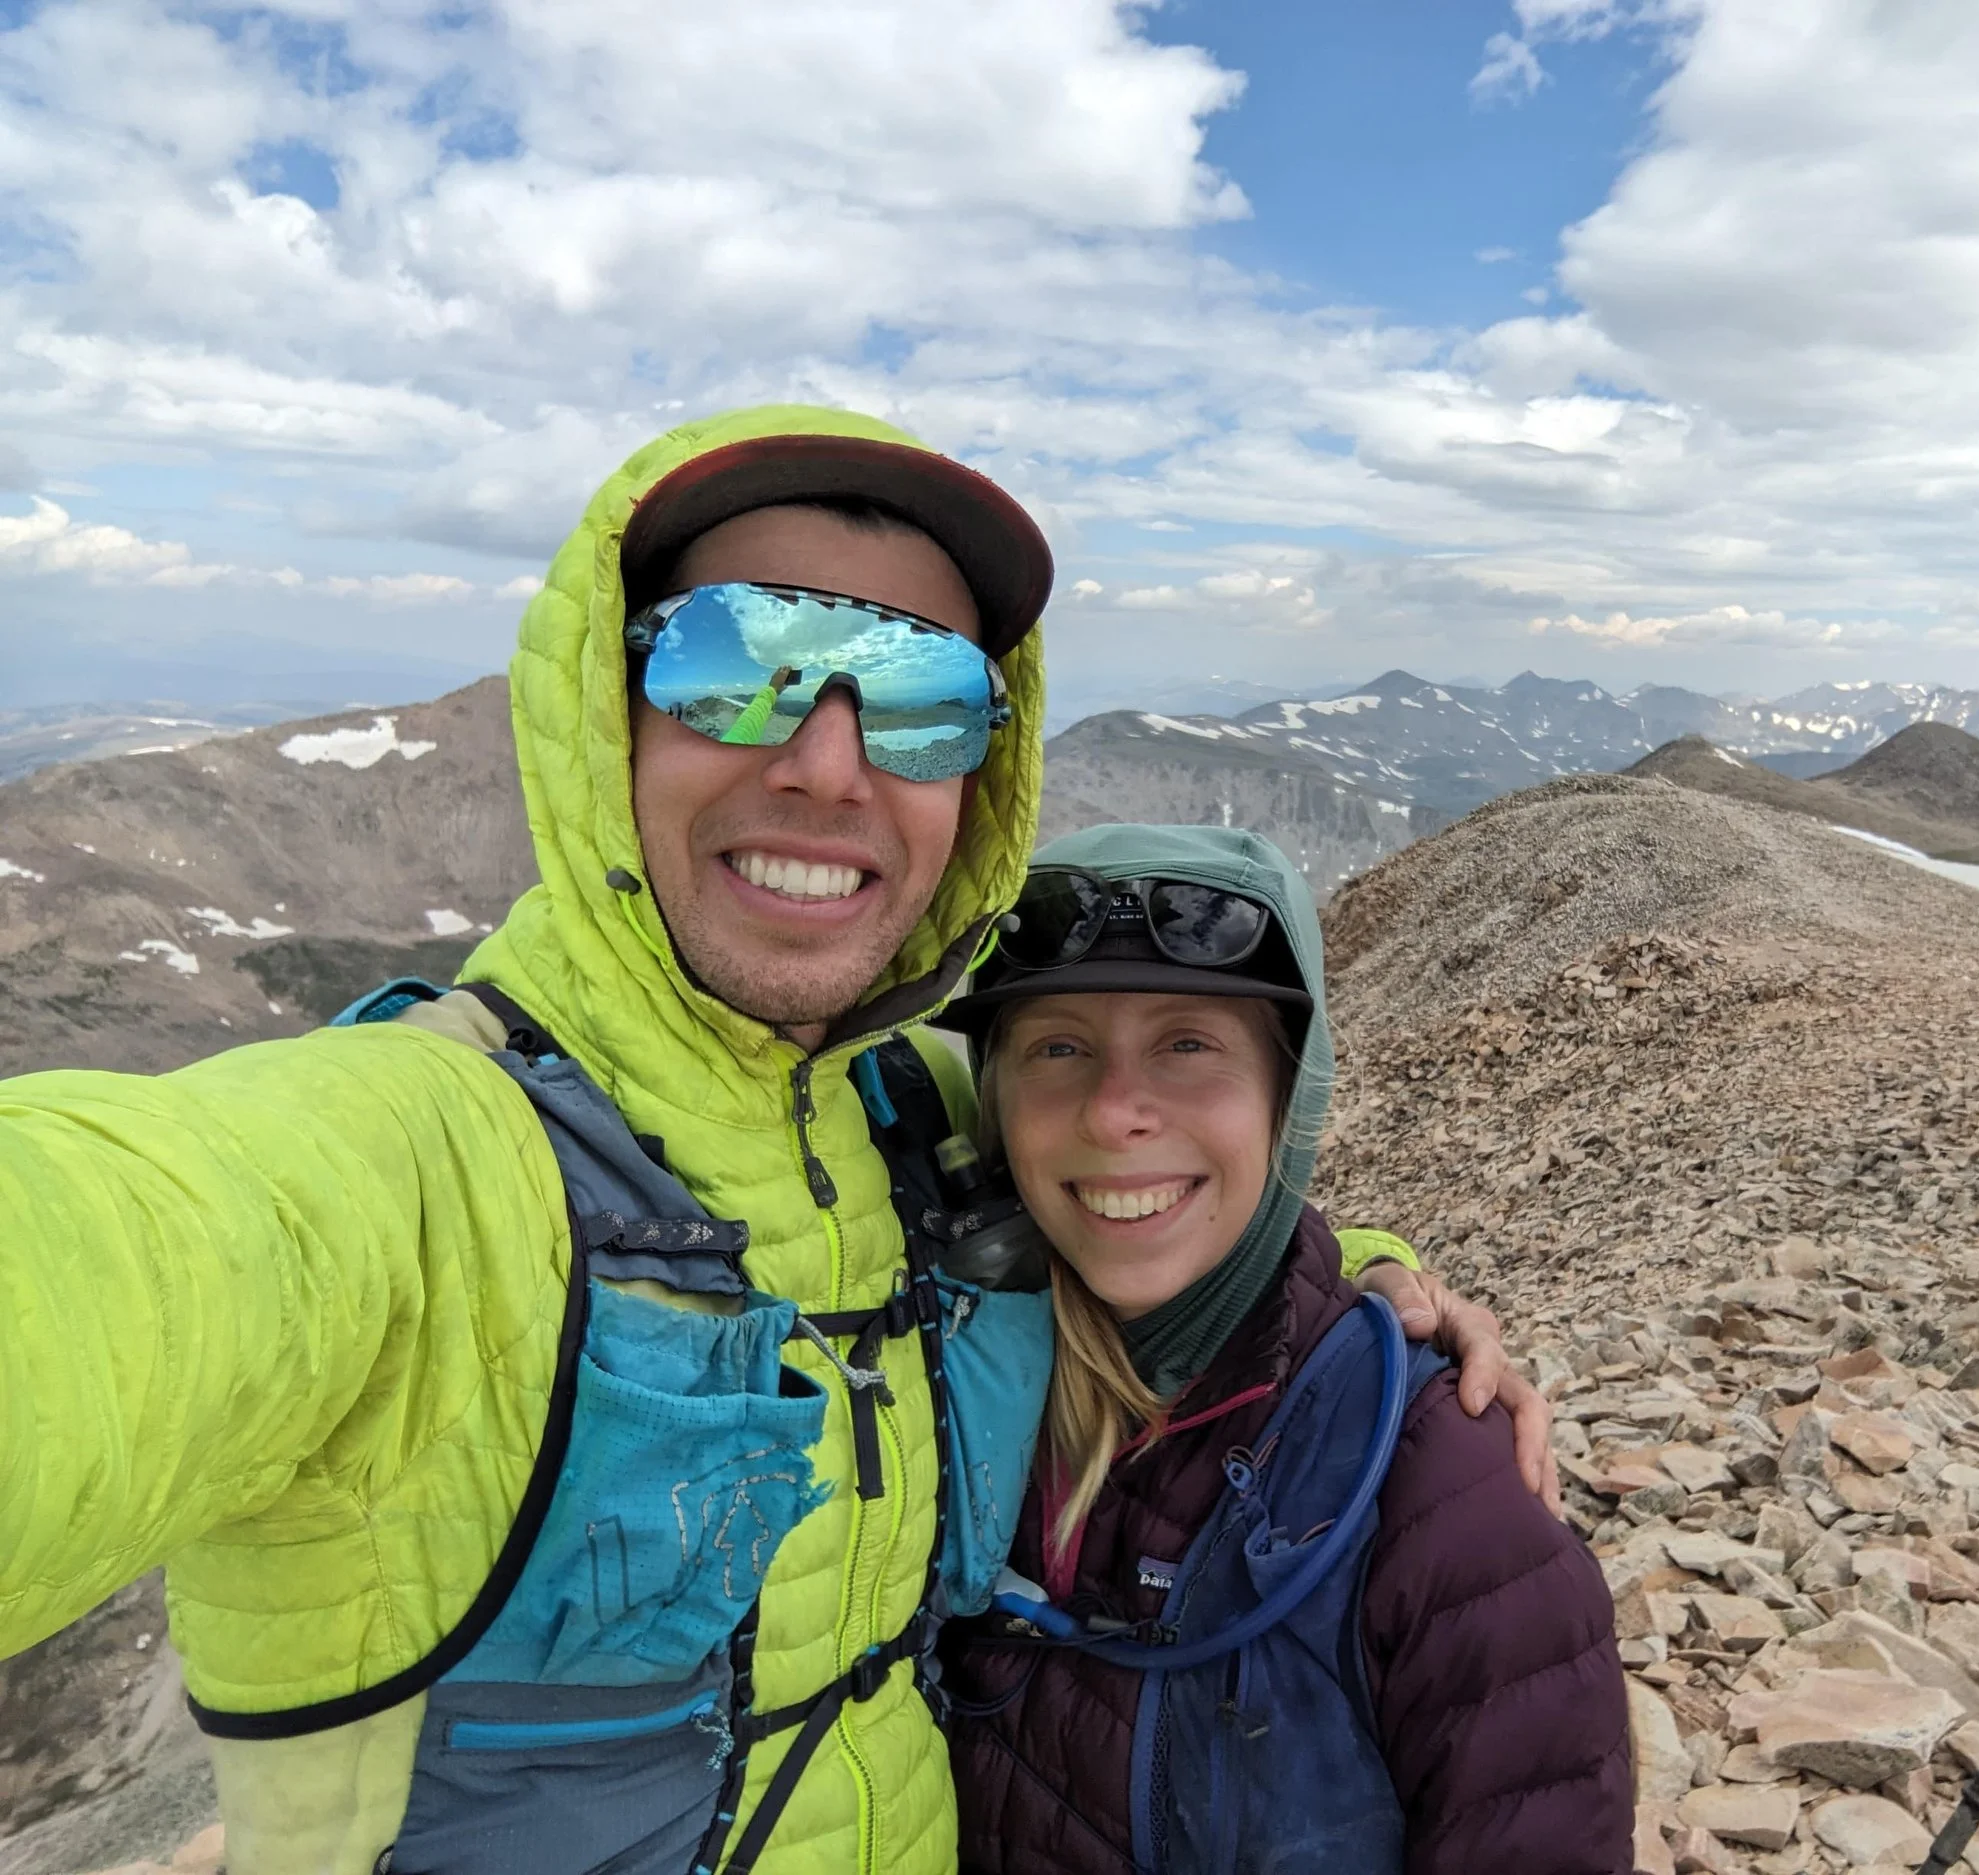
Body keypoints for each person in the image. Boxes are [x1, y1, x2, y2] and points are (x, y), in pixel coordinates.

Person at [0, 407, 1549, 1875]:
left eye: (922, 695)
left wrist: (1373, 1292)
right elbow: (114, 1253)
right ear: (600, 711)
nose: (824, 759)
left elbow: (1155, 1181)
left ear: (979, 776)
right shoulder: (412, 1153)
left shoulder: (917, 1114)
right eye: (731, 660)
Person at [940, 824, 1633, 1875]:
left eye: (1188, 1045)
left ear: (1287, 1103)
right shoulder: (930, 1389)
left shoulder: (1445, 1495)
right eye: (1059, 1047)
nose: (1117, 1110)